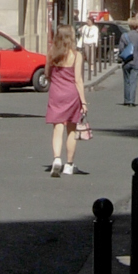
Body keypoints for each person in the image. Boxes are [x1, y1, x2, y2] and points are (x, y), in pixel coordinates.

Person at [44, 23, 86, 175]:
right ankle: (69, 164)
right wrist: (84, 101)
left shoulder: (51, 53)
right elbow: (78, 80)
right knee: (71, 130)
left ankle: (56, 159)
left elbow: (47, 74)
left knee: (57, 128)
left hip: (56, 92)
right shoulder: (76, 55)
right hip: (71, 93)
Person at [118, 13, 138, 106]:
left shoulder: (124, 36)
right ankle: (131, 100)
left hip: (126, 61)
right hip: (136, 61)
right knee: (133, 81)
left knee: (126, 81)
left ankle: (126, 100)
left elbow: (121, 49)